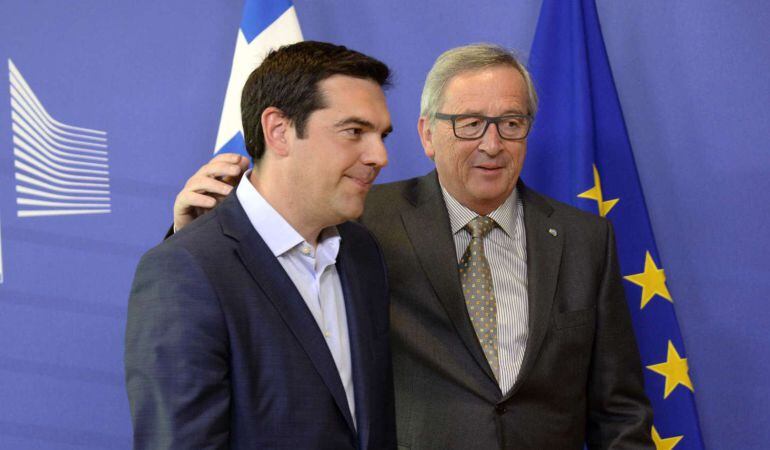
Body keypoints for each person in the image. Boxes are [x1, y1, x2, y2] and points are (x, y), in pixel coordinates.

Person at [172, 44, 653, 449]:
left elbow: (619, 410)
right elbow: (264, 285)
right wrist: (193, 231)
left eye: (511, 122)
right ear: (428, 134)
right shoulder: (362, 220)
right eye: (469, 123)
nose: (492, 144)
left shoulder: (585, 239)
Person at [125, 41, 396, 450]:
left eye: (381, 135)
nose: (380, 156)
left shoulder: (362, 252)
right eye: (355, 131)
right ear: (279, 131)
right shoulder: (186, 269)